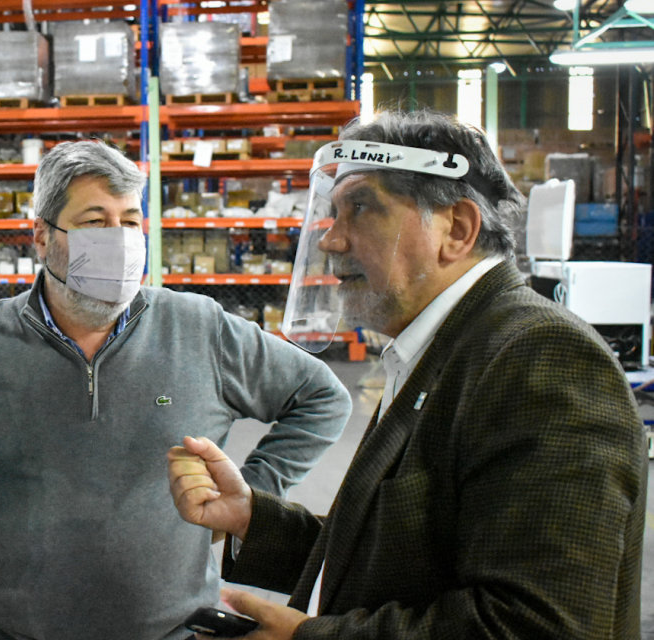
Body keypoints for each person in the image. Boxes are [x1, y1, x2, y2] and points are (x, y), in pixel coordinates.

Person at [168, 110, 647, 640]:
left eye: (361, 209)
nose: (330, 241)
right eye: (333, 213)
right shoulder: (444, 345)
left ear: (456, 229)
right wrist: (252, 520)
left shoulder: (542, 359)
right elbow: (399, 557)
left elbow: (537, 625)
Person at [0, 140, 353, 640]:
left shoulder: (198, 328)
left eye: (130, 222)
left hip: (174, 632)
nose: (119, 239)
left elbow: (322, 397)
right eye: (95, 221)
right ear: (42, 237)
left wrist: (252, 499)